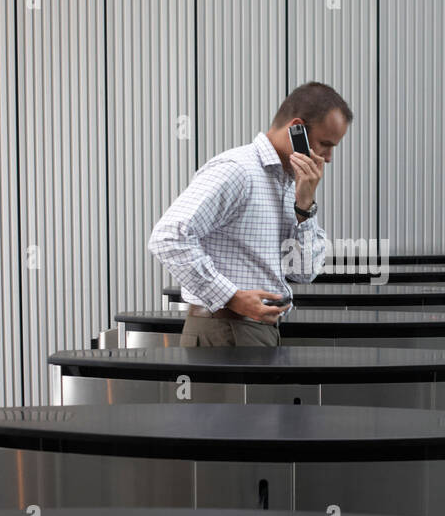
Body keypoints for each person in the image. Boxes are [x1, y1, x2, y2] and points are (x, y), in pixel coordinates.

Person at [147, 82, 352, 347]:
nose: (329, 158)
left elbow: (304, 272)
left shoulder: (293, 184)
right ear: (296, 129)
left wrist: (305, 205)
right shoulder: (237, 171)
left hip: (258, 332)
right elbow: (167, 238)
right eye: (325, 144)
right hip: (224, 329)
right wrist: (231, 296)